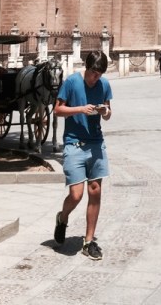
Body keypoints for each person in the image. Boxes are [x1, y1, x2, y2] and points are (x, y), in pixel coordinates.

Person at [53, 50, 112, 261]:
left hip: (96, 143)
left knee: (95, 191)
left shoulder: (104, 85)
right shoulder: (71, 82)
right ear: (87, 68)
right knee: (76, 195)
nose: (97, 77)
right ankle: (63, 217)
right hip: (74, 144)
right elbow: (57, 110)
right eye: (94, 73)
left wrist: (105, 111)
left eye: (100, 74)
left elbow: (109, 112)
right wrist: (80, 109)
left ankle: (88, 241)